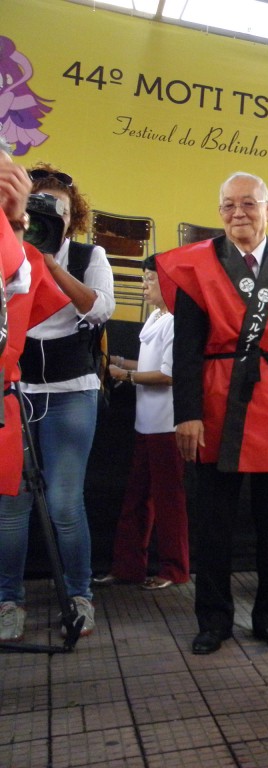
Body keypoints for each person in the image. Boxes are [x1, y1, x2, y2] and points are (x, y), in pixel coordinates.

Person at [157, 172, 268, 656]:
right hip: (215, 400)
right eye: (227, 206)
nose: (238, 213)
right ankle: (214, 619)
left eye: (249, 204)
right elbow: (184, 348)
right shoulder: (196, 265)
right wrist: (186, 413)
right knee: (213, 521)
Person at [0, 163, 114, 641]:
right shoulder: (8, 252)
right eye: (39, 207)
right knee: (12, 503)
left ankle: (79, 594)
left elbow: (101, 308)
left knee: (66, 502)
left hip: (71, 392)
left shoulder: (89, 255)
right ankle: (9, 600)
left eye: (59, 211)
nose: (49, 216)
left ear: (74, 217)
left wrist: (49, 264)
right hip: (17, 390)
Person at [0, 146, 69, 643]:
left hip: (14, 395)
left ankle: (15, 599)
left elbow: (23, 285)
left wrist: (16, 220)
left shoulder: (22, 252)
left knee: (21, 507)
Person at [93, 255, 188, 591]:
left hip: (166, 425)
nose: (144, 286)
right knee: (137, 499)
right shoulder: (157, 318)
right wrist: (119, 361)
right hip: (145, 423)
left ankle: (175, 569)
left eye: (150, 279)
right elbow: (151, 361)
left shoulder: (178, 321)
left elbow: (168, 374)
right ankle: (128, 566)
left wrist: (126, 375)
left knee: (168, 502)